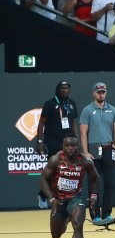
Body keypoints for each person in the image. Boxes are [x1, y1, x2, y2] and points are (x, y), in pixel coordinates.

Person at [39, 136, 101, 238]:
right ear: (63, 146)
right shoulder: (56, 159)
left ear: (78, 146)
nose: (70, 148)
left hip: (75, 197)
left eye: (73, 146)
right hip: (58, 199)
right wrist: (51, 199)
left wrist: (93, 196)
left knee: (78, 224)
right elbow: (43, 179)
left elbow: (95, 178)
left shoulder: (85, 161)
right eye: (67, 146)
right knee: (56, 234)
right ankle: (67, 218)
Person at [79, 82, 115, 226]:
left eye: (103, 92)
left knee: (109, 183)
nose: (101, 94)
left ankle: (107, 213)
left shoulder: (113, 110)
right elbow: (83, 133)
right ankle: (95, 214)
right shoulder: (87, 110)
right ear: (93, 93)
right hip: (93, 149)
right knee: (93, 184)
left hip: (108, 148)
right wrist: (85, 152)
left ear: (106, 93)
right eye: (98, 92)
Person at [35, 81, 80, 209]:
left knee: (66, 170)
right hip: (53, 141)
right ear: (57, 89)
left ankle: (59, 196)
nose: (64, 90)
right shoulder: (50, 104)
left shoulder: (71, 104)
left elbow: (72, 123)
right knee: (54, 168)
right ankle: (43, 194)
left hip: (68, 142)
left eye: (67, 88)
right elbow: (41, 123)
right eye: (62, 88)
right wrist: (39, 142)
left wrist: (76, 140)